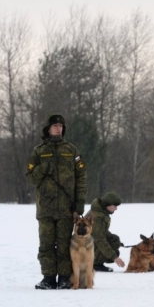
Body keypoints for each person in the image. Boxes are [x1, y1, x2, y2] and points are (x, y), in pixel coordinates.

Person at [26, 114, 87, 289]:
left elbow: (81, 178)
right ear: (48, 128)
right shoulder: (39, 152)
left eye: (61, 125)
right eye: (55, 125)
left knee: (64, 245)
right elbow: (30, 179)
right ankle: (48, 278)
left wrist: (80, 203)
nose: (58, 128)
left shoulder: (72, 150)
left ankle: (64, 279)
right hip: (45, 208)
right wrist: (42, 168)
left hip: (67, 209)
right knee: (45, 244)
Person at [85, 191, 126, 272]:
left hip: (91, 242)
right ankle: (95, 264)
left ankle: (97, 260)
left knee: (114, 240)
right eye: (115, 206)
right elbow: (99, 239)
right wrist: (115, 257)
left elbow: (102, 231)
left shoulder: (102, 211)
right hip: (86, 247)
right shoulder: (97, 216)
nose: (116, 208)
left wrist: (117, 243)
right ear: (108, 204)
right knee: (112, 248)